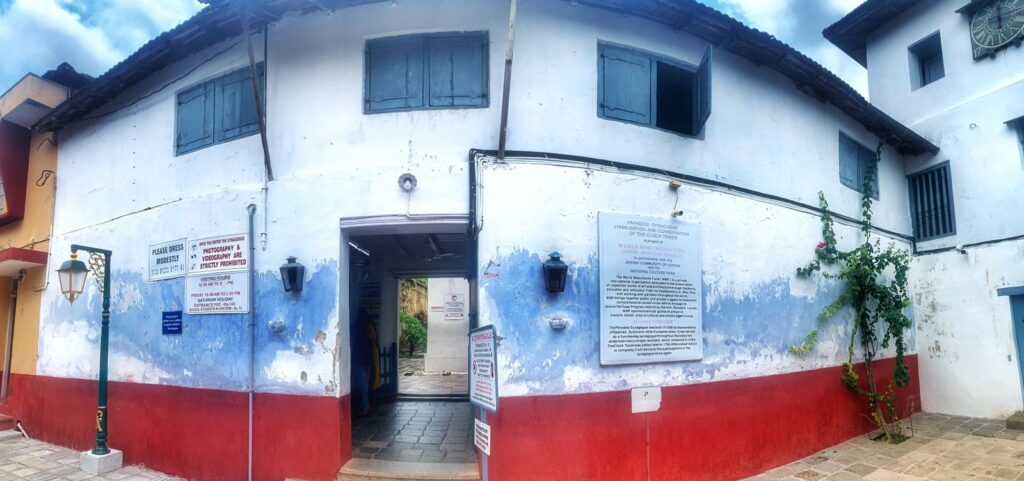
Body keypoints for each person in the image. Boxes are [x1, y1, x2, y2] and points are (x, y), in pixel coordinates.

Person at [351, 309, 377, 415]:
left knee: (362, 385)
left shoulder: (356, 326)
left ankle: (365, 407)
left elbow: (349, 332)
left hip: (358, 360)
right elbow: (374, 338)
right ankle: (370, 406)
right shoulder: (370, 325)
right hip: (368, 359)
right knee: (368, 384)